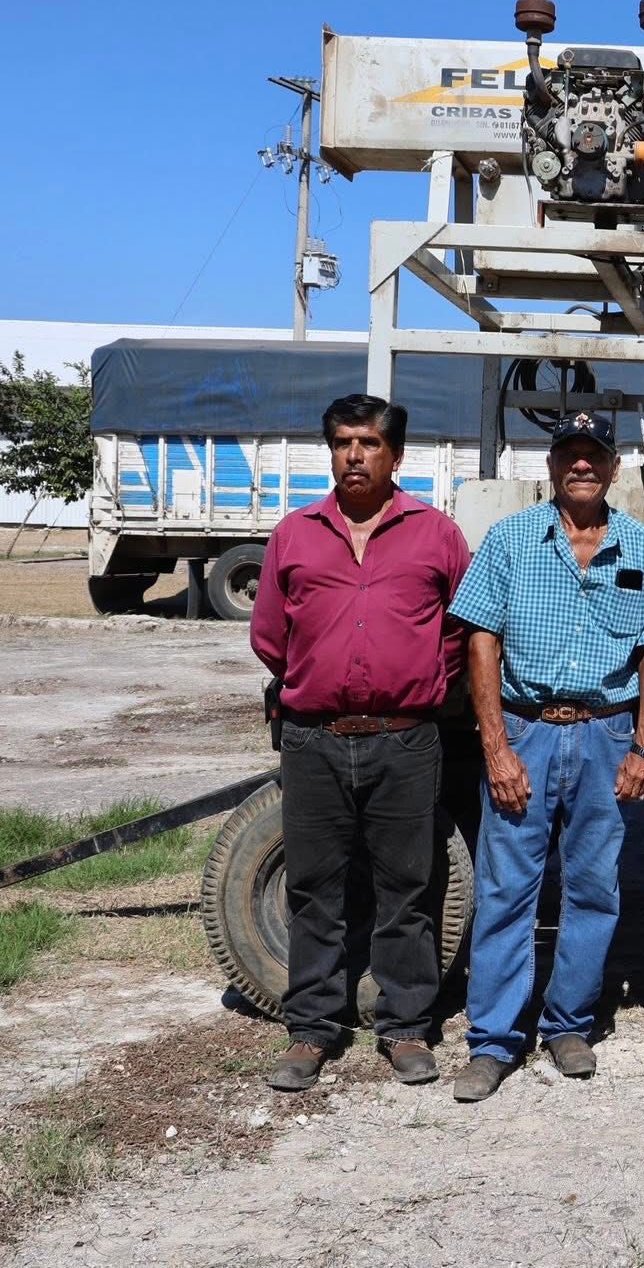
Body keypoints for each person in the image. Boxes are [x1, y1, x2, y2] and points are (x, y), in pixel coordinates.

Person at [446, 411, 644, 1103]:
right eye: (568, 454)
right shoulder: (510, 540)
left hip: (606, 735)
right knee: (507, 886)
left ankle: (569, 1024)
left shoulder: (639, 547)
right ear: (550, 466)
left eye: (593, 454)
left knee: (595, 886)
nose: (581, 465)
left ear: (612, 467)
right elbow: (479, 642)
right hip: (527, 731)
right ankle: (493, 1040)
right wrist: (496, 747)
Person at [250, 394, 471, 1092]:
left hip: (404, 741)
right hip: (314, 739)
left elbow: (460, 632)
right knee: (315, 889)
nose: (355, 455)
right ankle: (313, 1029)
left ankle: (405, 1027)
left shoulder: (436, 534)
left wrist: (422, 680)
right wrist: (316, 681)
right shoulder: (295, 534)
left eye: (370, 443)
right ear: (330, 452)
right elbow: (268, 635)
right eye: (344, 442)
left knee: (406, 888)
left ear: (396, 455)